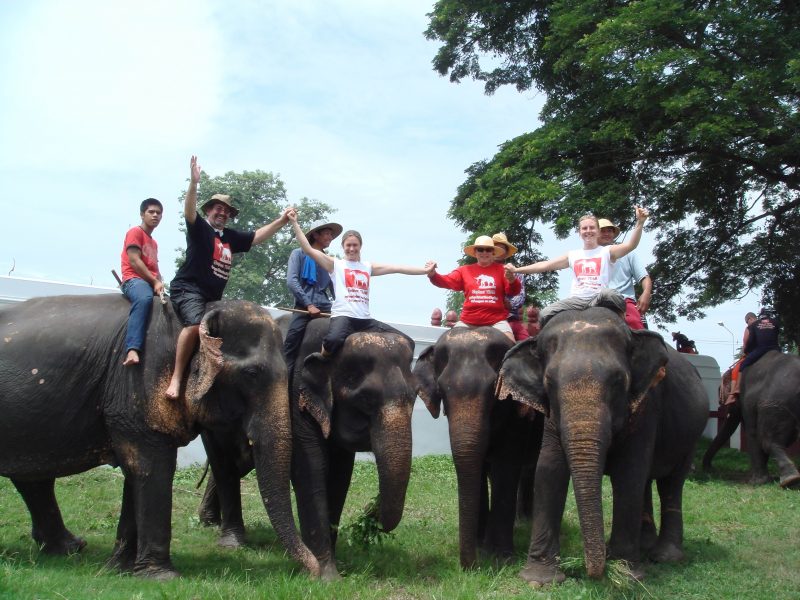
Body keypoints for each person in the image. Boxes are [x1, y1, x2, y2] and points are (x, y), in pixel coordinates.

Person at [166, 156, 293, 400]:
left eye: (226, 211)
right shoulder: (200, 228)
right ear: (209, 211)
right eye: (218, 209)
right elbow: (189, 211)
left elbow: (256, 237)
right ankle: (177, 377)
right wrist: (194, 184)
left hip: (213, 298)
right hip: (188, 290)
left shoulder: (229, 238)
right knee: (194, 326)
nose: (222, 213)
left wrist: (282, 220)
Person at [287, 209, 435, 360]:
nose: (352, 249)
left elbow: (398, 268)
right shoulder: (334, 264)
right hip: (343, 317)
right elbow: (307, 248)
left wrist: (425, 271)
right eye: (348, 245)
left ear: (360, 246)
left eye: (355, 245)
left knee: (406, 341)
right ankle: (321, 360)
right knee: (332, 340)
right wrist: (294, 223)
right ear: (343, 247)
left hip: (365, 320)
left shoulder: (368, 266)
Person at [506, 206, 649, 328]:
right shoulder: (573, 255)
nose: (588, 231)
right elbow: (545, 265)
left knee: (612, 294)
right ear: (579, 232)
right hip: (576, 300)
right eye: (584, 228)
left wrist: (640, 223)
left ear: (597, 231)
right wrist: (517, 270)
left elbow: (631, 245)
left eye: (592, 228)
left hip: (599, 297)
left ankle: (622, 329)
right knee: (544, 314)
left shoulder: (607, 252)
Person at [427, 235, 520, 342]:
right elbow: (446, 281)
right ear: (475, 252)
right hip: (467, 322)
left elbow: (514, 291)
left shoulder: (503, 270)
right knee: (447, 344)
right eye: (480, 249)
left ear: (493, 252)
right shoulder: (464, 270)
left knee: (510, 345)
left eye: (488, 250)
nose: (484, 252)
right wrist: (433, 274)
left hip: (496, 322)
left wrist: (512, 279)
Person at [283, 219, 343, 379]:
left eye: (331, 234)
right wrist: (308, 304)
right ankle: (284, 385)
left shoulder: (329, 261)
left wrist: (344, 306)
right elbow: (292, 281)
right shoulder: (298, 254)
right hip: (303, 308)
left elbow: (336, 289)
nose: (330, 237)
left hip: (325, 307)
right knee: (290, 346)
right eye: (327, 233)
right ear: (315, 235)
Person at [120, 198, 164, 366]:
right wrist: (154, 282)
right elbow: (134, 261)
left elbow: (155, 268)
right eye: (151, 212)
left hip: (150, 282)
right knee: (144, 299)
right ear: (142, 214)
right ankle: (132, 349)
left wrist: (159, 282)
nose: (155, 215)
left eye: (158, 213)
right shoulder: (135, 232)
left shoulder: (154, 243)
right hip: (134, 280)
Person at [597, 218, 652, 330]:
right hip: (596, 301)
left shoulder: (628, 254)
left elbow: (644, 277)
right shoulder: (587, 256)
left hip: (623, 301)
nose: (607, 233)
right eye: (603, 230)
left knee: (634, 323)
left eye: (610, 230)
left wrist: (646, 293)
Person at [727, 308, 780, 403]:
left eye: (747, 322)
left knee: (742, 366)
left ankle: (737, 388)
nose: (747, 324)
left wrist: (746, 352)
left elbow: (749, 341)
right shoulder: (775, 322)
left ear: (752, 318)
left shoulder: (753, 325)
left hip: (761, 349)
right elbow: (776, 335)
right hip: (775, 349)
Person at [492, 232, 529, 341]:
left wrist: (503, 302)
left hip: (511, 318)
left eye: (502, 248)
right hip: (488, 317)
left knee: (527, 343)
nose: (499, 251)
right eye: (496, 248)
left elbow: (520, 299)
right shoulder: (483, 272)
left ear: (506, 252)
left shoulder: (516, 272)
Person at [723, 312, 757, 405]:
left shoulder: (749, 328)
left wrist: (743, 353)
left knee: (736, 370)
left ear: (750, 319)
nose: (747, 324)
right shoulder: (762, 326)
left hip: (753, 354)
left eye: (747, 322)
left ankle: (733, 394)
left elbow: (745, 344)